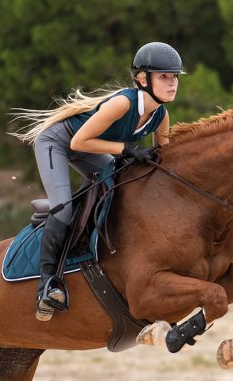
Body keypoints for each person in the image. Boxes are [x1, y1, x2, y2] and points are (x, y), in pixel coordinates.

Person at [10, 42, 185, 321]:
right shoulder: (123, 103)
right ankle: (47, 284)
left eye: (174, 77)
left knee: (122, 187)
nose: (172, 83)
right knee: (64, 208)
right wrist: (126, 150)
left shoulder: (160, 116)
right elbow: (79, 141)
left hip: (88, 146)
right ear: (143, 79)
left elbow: (163, 159)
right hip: (58, 142)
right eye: (164, 76)